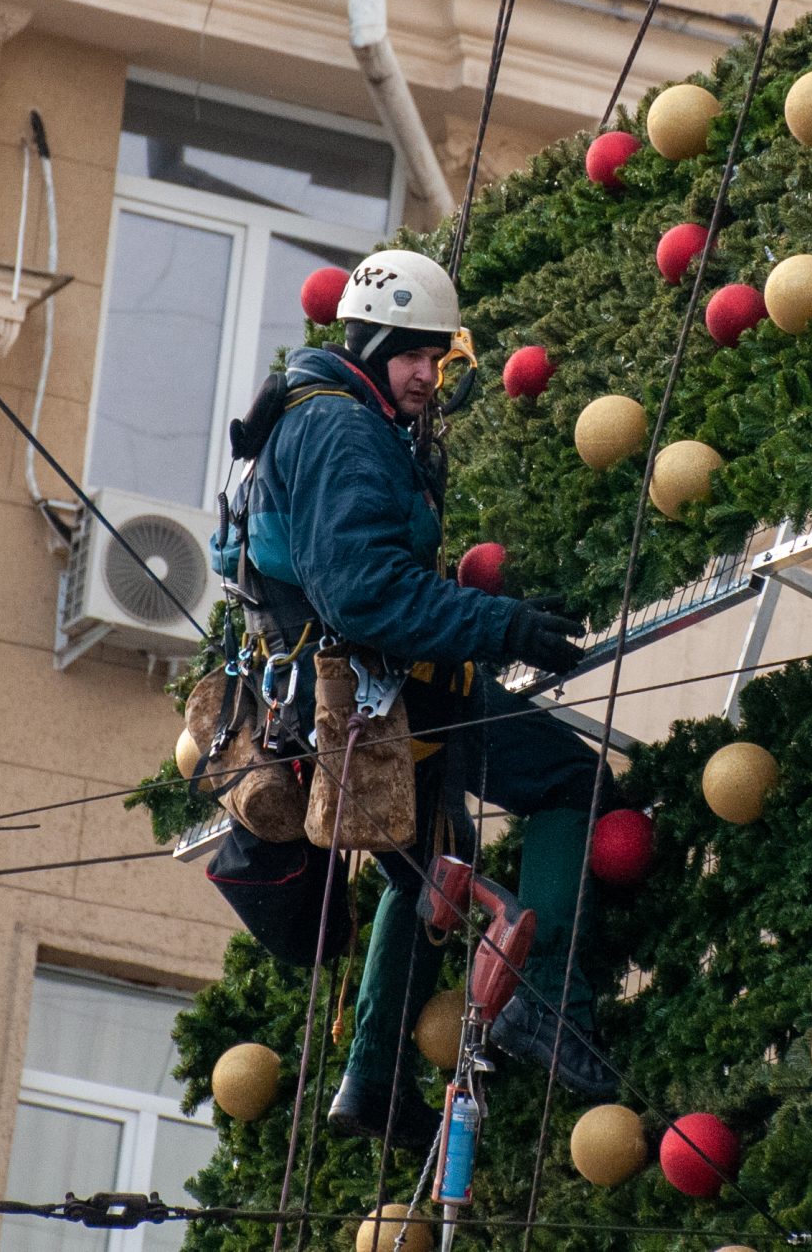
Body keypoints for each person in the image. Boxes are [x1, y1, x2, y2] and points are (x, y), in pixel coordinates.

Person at [230, 247, 618, 1145]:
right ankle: (548, 1000)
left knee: (428, 846)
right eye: (412, 355)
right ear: (368, 343)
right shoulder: (343, 431)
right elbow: (363, 592)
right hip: (387, 693)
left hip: (350, 696)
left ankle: (371, 1080)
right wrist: (502, 624)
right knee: (571, 785)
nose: (425, 377)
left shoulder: (310, 412)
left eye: (436, 358)